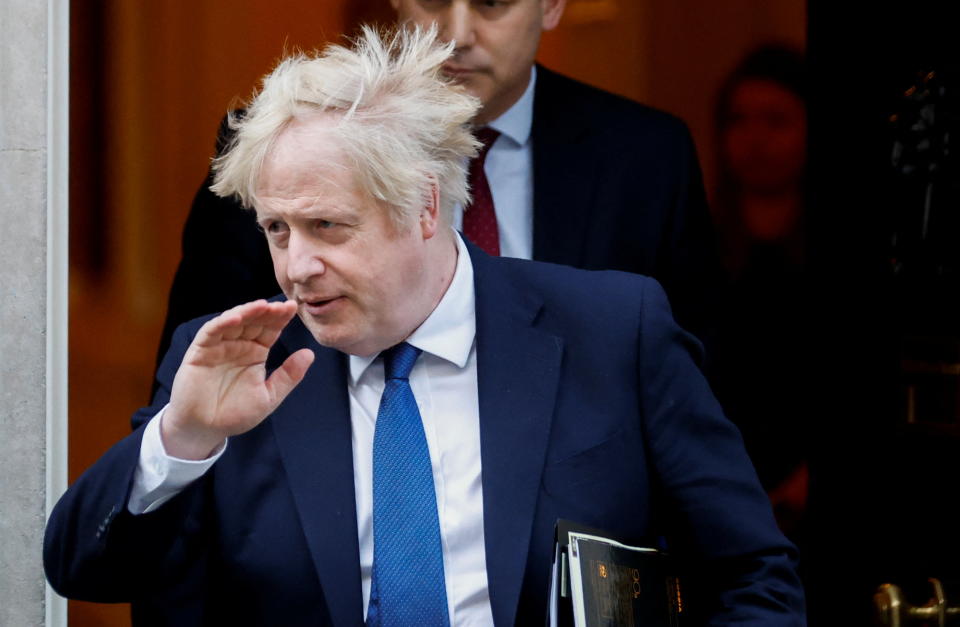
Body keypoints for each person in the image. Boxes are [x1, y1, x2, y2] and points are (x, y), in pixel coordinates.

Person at [45, 26, 804, 625]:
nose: (296, 266)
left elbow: (755, 577)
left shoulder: (614, 330)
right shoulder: (240, 359)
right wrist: (182, 437)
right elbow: (81, 567)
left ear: (426, 207)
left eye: (327, 226)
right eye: (277, 230)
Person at [155, 0, 725, 373]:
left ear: (551, 5)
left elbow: (693, 379)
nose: (457, 34)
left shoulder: (645, 155)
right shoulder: (275, 142)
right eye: (432, 0)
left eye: (492, 3)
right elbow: (196, 363)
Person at [710, 45, 809, 538]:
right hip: (718, 486)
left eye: (776, 121)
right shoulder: (700, 239)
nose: (755, 140)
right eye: (739, 120)